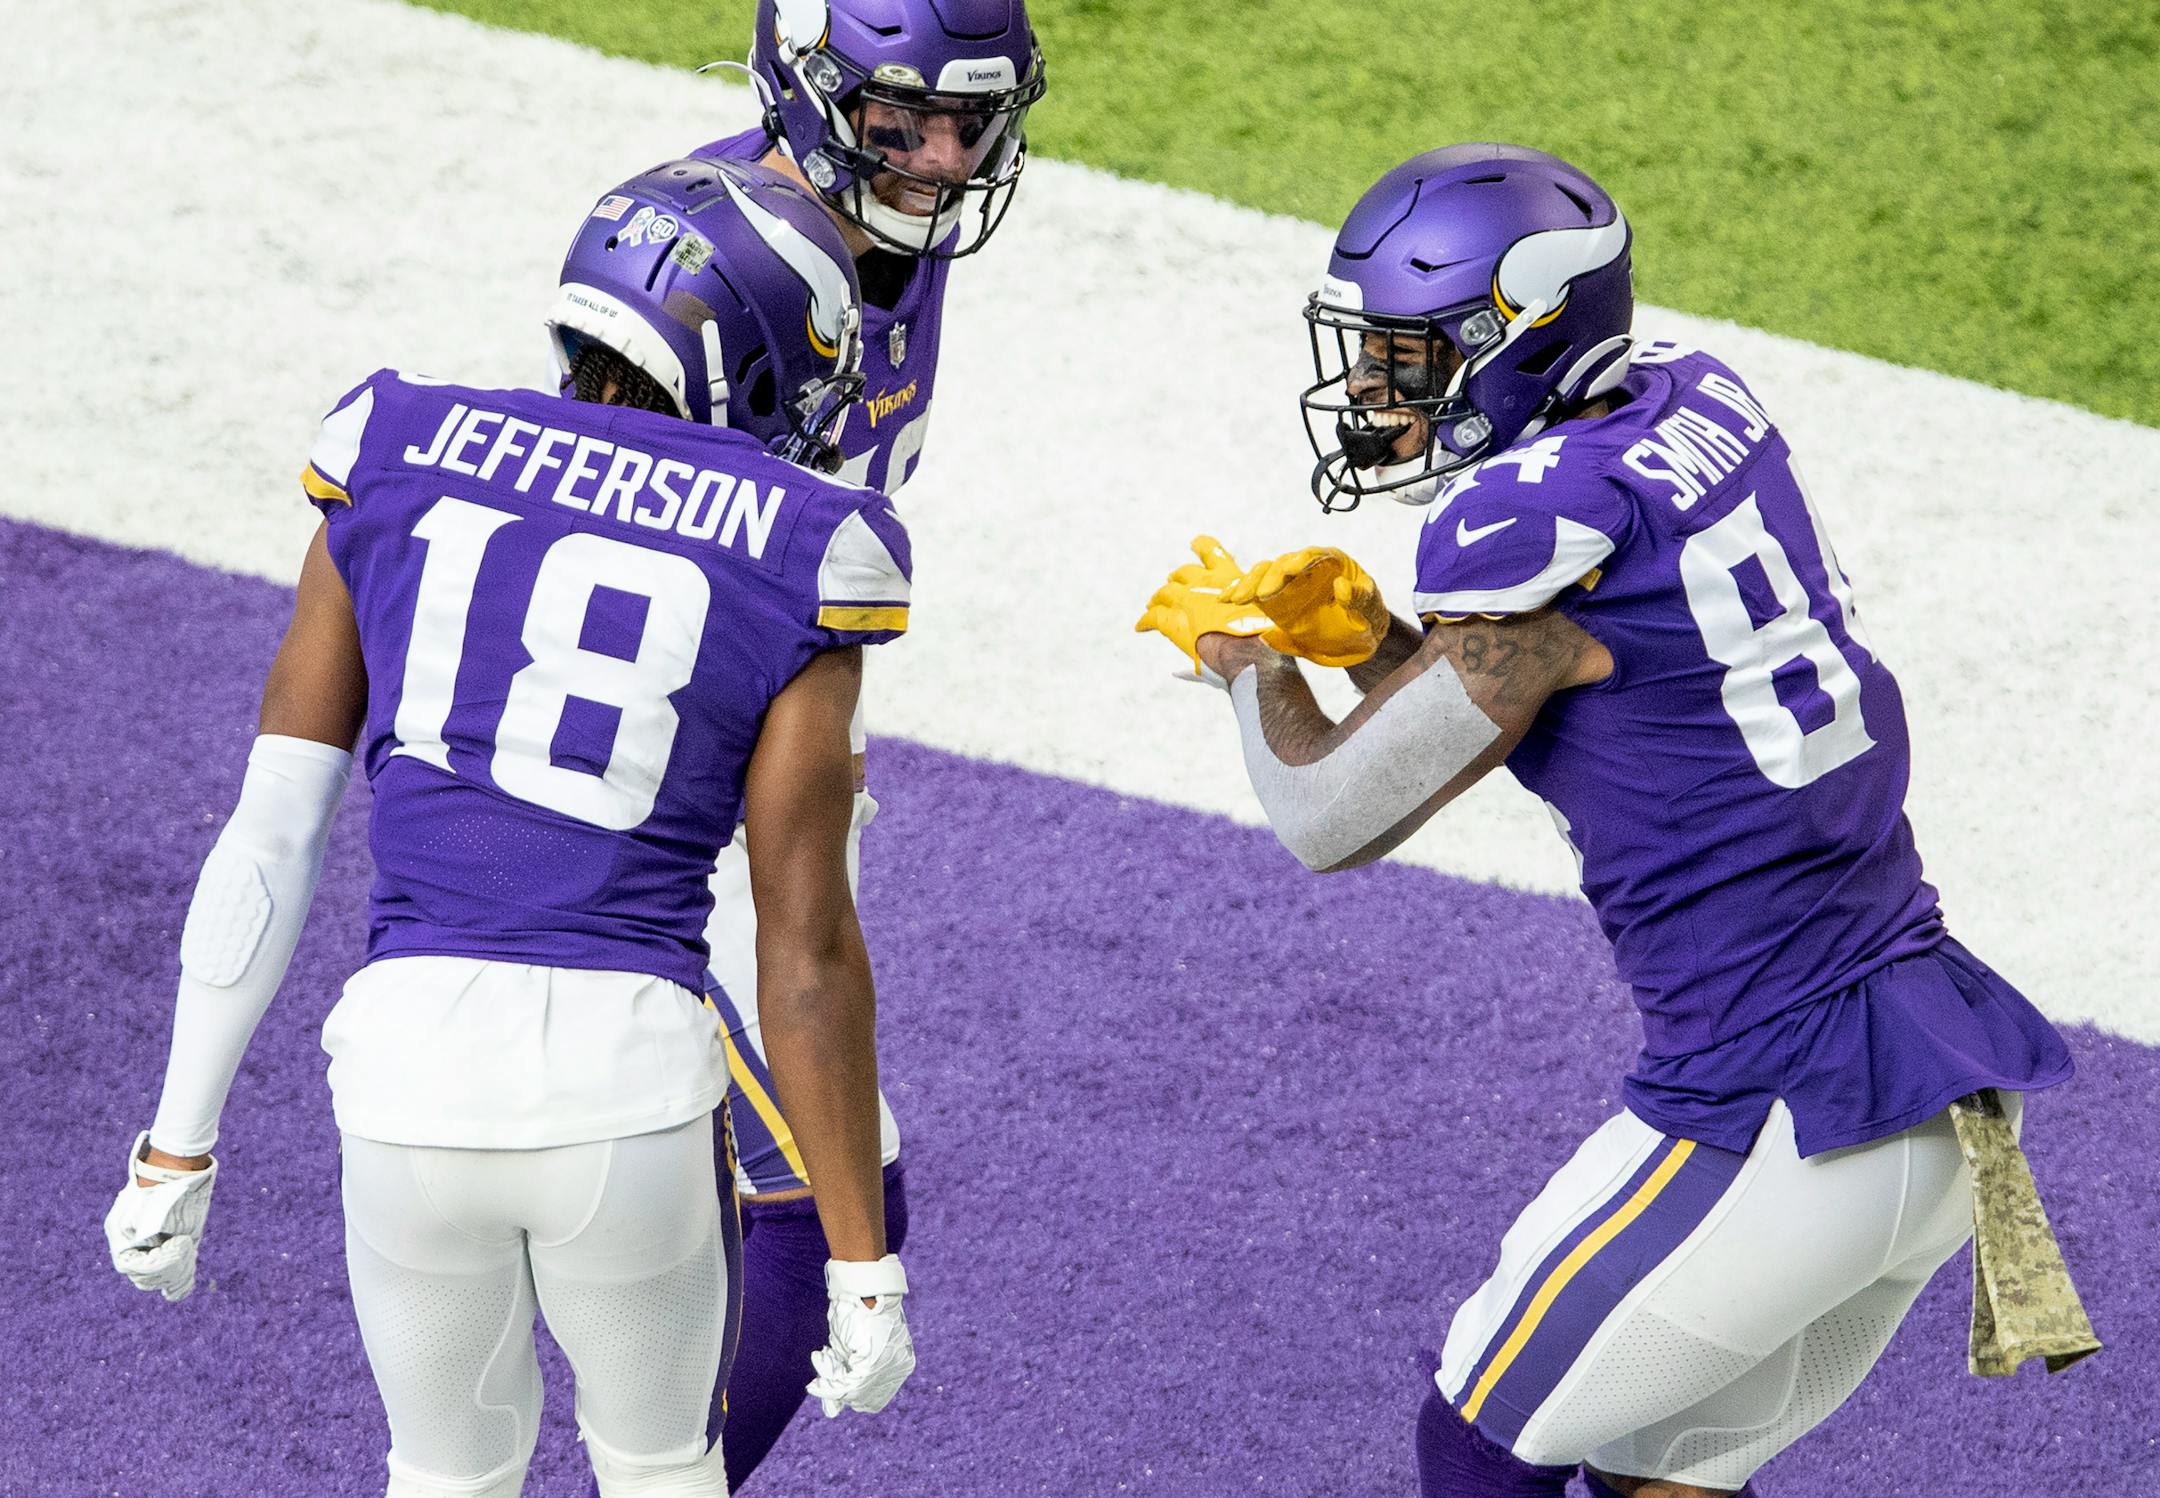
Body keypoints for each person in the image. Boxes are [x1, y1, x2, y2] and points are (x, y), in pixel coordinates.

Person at [1136, 143, 2073, 1498]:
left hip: (1782, 1103)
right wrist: (1371, 642)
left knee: (1477, 1437)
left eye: (1411, 357)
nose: (1373, 392)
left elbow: (1326, 811)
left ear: (1516, 340)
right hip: (1939, 1080)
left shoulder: (1535, 520)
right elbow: (1583, 698)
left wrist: (1247, 660)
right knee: (1660, 1471)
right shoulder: (1690, 412)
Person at [103, 157, 918, 1498]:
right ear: (761, 362)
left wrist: (176, 1141)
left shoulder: (389, 444)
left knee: (443, 1476)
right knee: (659, 1473)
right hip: (627, 1086)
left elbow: (271, 828)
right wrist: (860, 1259)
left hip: (404, 1071)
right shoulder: (811, 543)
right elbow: (804, 944)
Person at [643, 1, 1045, 1484]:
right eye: (899, 122)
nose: (943, 159)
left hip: (779, 773)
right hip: (667, 796)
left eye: (968, 120)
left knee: (707, 1196)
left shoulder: (894, 236)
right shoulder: (713, 266)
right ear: (810, 93)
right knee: (821, 1191)